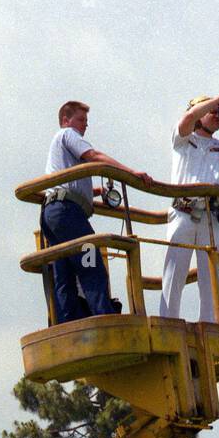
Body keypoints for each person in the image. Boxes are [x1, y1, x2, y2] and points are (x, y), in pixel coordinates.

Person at [42, 100, 152, 323]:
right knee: (92, 262)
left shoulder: (60, 149)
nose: (84, 126)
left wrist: (97, 191)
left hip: (53, 214)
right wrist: (129, 172)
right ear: (66, 120)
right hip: (67, 213)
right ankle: (105, 320)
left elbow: (69, 185)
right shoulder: (68, 134)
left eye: (86, 122)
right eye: (81, 120)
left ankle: (69, 325)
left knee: (64, 271)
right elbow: (94, 156)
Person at [159, 93, 219, 323]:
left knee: (210, 275)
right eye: (212, 112)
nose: (217, 115)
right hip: (184, 212)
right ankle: (168, 322)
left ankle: (209, 324)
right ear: (199, 114)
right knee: (175, 271)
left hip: (212, 216)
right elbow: (188, 118)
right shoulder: (183, 139)